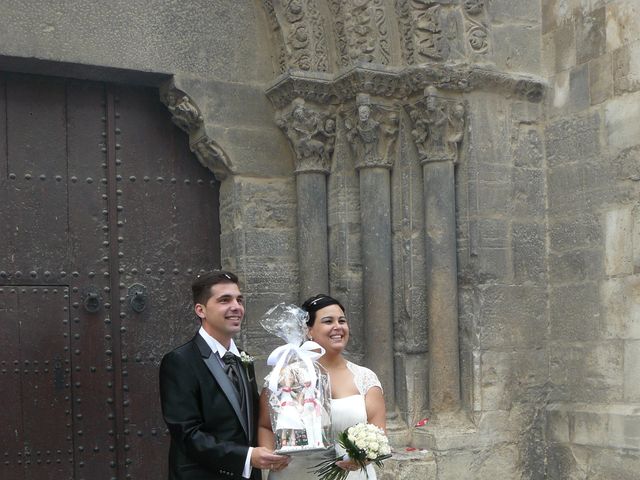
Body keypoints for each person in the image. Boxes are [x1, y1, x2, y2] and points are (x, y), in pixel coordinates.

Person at [160, 271, 290, 479]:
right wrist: (246, 458)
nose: (236, 307)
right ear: (201, 310)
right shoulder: (180, 361)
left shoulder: (244, 359)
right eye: (224, 300)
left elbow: (252, 419)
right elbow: (188, 434)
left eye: (239, 299)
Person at [258, 294, 386, 480]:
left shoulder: (365, 377)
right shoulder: (286, 376)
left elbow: (379, 435)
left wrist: (363, 458)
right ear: (308, 331)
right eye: (328, 321)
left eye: (342, 320)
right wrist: (270, 455)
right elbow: (265, 425)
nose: (338, 327)